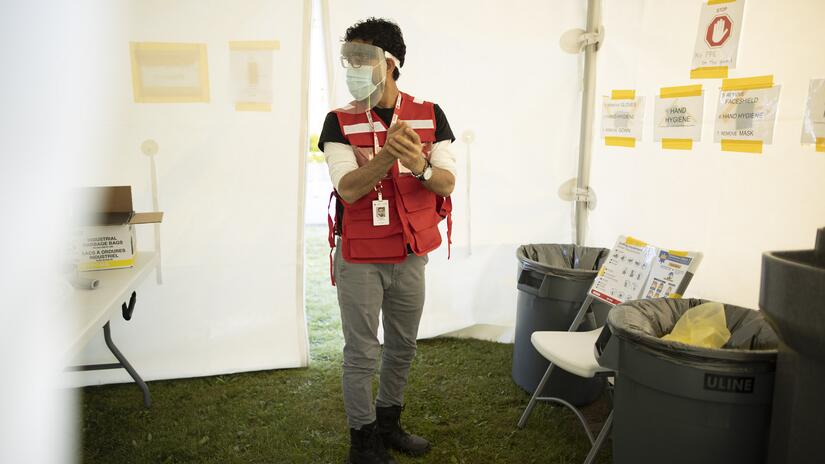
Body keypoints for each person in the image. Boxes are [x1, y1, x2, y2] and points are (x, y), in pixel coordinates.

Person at [318, 17, 456, 464]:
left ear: (390, 63)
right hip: (359, 257)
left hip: (411, 253)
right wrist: (386, 158)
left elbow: (447, 183)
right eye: (348, 58)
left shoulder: (431, 114)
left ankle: (389, 422)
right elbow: (349, 188)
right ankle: (363, 441)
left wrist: (418, 164)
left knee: (403, 346)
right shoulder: (337, 121)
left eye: (361, 58)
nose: (352, 67)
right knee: (361, 352)